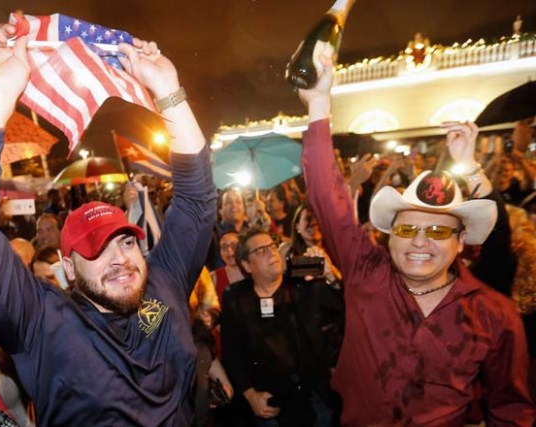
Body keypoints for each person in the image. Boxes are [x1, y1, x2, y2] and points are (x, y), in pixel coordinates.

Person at [0, 24, 217, 426]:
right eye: (96, 250)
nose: (119, 258)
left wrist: (169, 92)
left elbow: (197, 200)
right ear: (67, 269)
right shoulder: (41, 321)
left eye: (127, 243)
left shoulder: (164, 283)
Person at [298, 47, 535, 425]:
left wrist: (472, 167)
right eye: (407, 228)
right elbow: (328, 197)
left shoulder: (494, 314)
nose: (420, 242)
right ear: (390, 236)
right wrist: (319, 102)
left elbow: (511, 410)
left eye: (439, 230)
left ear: (461, 241)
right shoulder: (366, 274)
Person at [220, 228, 344, 426]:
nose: (271, 253)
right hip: (270, 403)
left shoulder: (303, 285)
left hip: (314, 399)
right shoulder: (235, 298)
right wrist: (250, 394)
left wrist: (330, 275)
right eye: (261, 251)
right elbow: (232, 352)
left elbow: (343, 308)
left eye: (272, 246)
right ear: (246, 265)